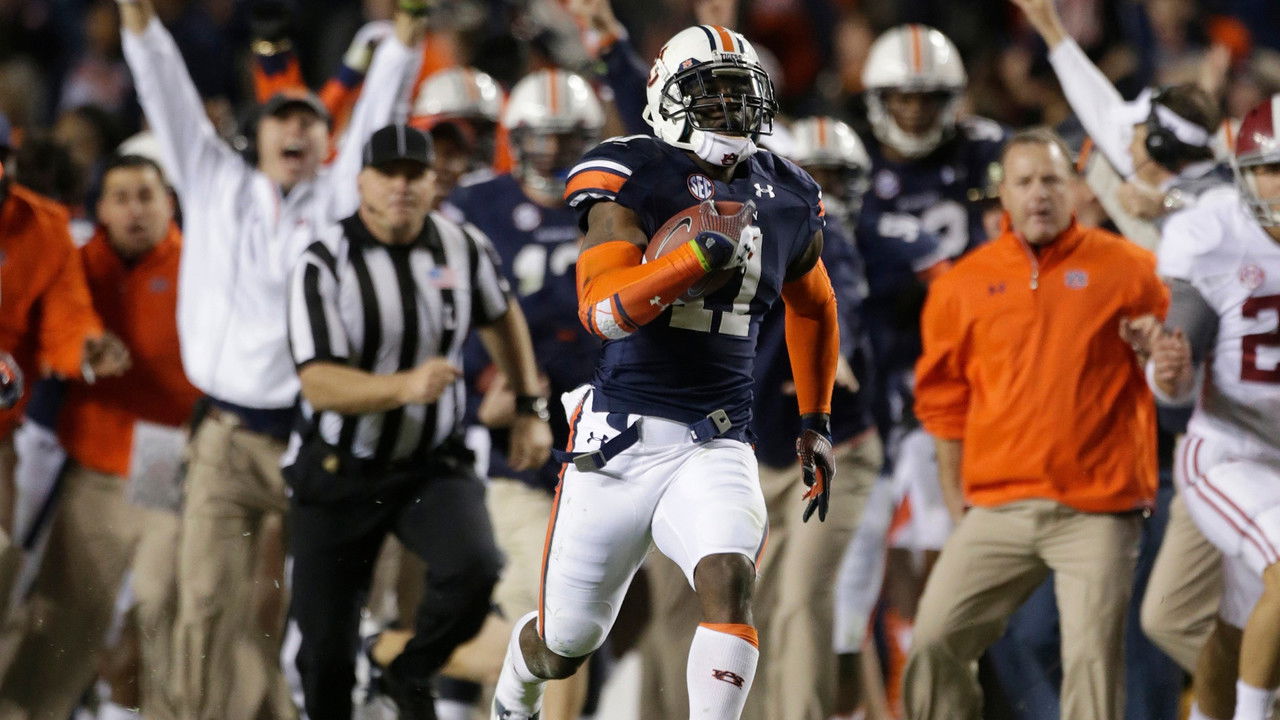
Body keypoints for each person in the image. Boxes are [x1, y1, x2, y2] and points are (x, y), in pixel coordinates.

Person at [491, 24, 841, 720]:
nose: (734, 113)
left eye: (744, 97)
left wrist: (815, 419)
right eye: (713, 97)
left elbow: (816, 304)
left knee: (728, 578)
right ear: (668, 99)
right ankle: (513, 695)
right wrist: (687, 262)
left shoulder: (790, 194)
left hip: (716, 439)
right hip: (618, 442)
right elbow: (603, 314)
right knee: (565, 643)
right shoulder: (632, 174)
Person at [117, 2, 428, 717]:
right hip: (224, 438)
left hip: (320, 441)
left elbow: (382, 102)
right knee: (201, 603)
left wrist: (408, 29)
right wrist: (136, 18)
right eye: (283, 117)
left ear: (328, 140)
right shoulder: (211, 184)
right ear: (254, 135)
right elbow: (163, 84)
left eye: (311, 120)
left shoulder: (349, 199)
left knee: (335, 607)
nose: (296, 127)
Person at [283, 123, 552, 720]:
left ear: (435, 183)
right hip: (338, 470)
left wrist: (531, 407)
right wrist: (403, 386)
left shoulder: (461, 245)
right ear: (361, 183)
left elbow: (501, 313)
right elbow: (318, 383)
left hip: (429, 463)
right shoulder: (323, 261)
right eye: (388, 174)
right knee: (323, 653)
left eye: (415, 175)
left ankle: (407, 670)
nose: (402, 187)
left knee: (476, 569)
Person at [906, 128, 1168, 720]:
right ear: (1003, 195)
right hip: (1000, 506)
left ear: (1075, 188)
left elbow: (1178, 366)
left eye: (1051, 179)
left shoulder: (1134, 271)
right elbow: (944, 403)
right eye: (1023, 182)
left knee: (1091, 662)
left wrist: (1163, 356)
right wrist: (955, 500)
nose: (1038, 194)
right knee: (934, 639)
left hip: (1099, 507)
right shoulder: (960, 285)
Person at [0, 154, 197, 720]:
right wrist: (85, 351)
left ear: (170, 203)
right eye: (121, 197)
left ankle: (164, 711)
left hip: (166, 453)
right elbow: (62, 325)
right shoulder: (78, 260)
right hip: (91, 455)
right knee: (67, 610)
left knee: (163, 598)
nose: (135, 209)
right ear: (101, 209)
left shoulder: (200, 265)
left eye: (146, 195)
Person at [434, 67, 604, 720]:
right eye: (543, 139)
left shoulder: (615, 202)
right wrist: (487, 388)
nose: (557, 155)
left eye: (571, 140)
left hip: (593, 435)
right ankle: (396, 651)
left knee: (581, 623)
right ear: (516, 140)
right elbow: (456, 314)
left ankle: (403, 653)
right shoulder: (476, 205)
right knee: (553, 620)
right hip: (510, 442)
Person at [1138, 95, 1280, 720]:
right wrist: (1167, 374)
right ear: (1244, 171)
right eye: (1272, 167)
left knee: (1237, 625)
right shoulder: (1214, 231)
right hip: (1228, 449)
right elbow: (1178, 363)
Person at [0, 144, 129, 636]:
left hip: (26, 438)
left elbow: (67, 319)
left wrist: (86, 351)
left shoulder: (46, 230)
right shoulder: (76, 238)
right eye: (121, 197)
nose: (131, 213)